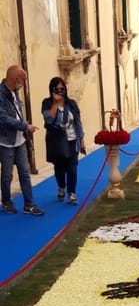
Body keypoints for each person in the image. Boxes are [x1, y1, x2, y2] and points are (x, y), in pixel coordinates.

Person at [0, 65, 44, 216]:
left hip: (20, 141)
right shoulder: (1, 95)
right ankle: (6, 202)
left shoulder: (15, 93)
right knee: (7, 175)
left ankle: (29, 205)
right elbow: (3, 118)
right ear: (16, 79)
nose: (23, 83)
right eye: (23, 80)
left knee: (25, 173)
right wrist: (25, 125)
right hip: (5, 142)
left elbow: (17, 113)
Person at [41, 77, 86, 205]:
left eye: (62, 89)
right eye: (57, 89)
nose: (60, 91)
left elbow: (77, 122)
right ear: (52, 89)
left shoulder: (71, 104)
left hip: (72, 139)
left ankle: (72, 193)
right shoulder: (47, 103)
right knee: (59, 168)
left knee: (72, 167)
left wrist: (81, 139)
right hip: (57, 141)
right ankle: (61, 187)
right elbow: (48, 120)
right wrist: (56, 103)